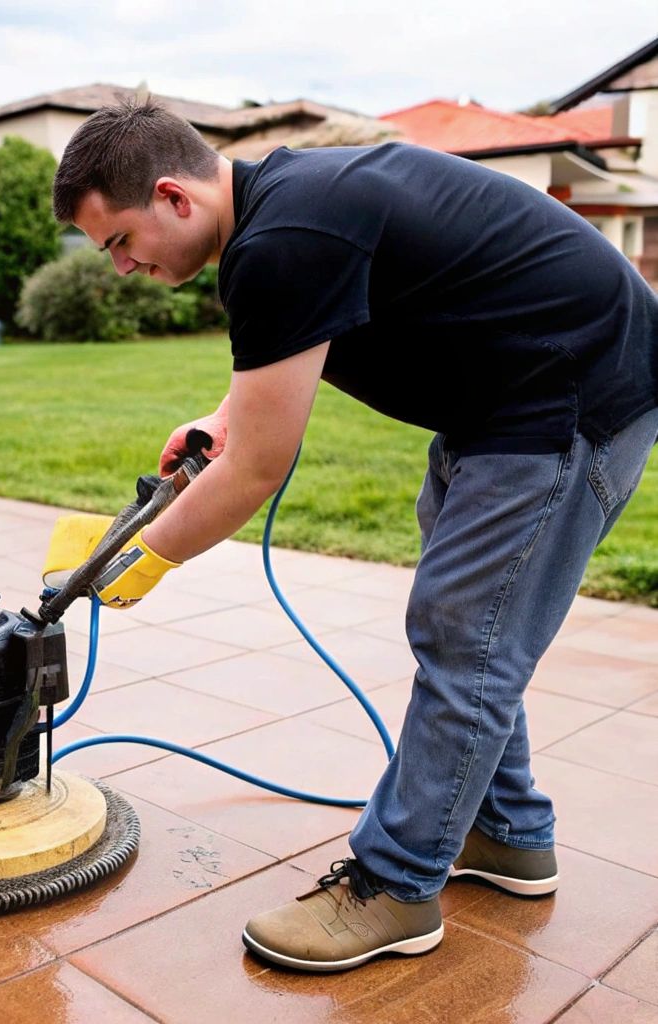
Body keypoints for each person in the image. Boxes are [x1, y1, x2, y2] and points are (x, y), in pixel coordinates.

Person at [47, 100, 657, 972]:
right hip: (504, 399)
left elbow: (256, 471)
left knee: (467, 636)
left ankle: (395, 886)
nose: (118, 266)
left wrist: (144, 557)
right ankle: (506, 832)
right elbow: (284, 367)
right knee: (470, 631)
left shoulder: (281, 240)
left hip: (569, 397)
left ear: (175, 197)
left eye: (118, 240)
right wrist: (222, 420)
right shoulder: (288, 206)